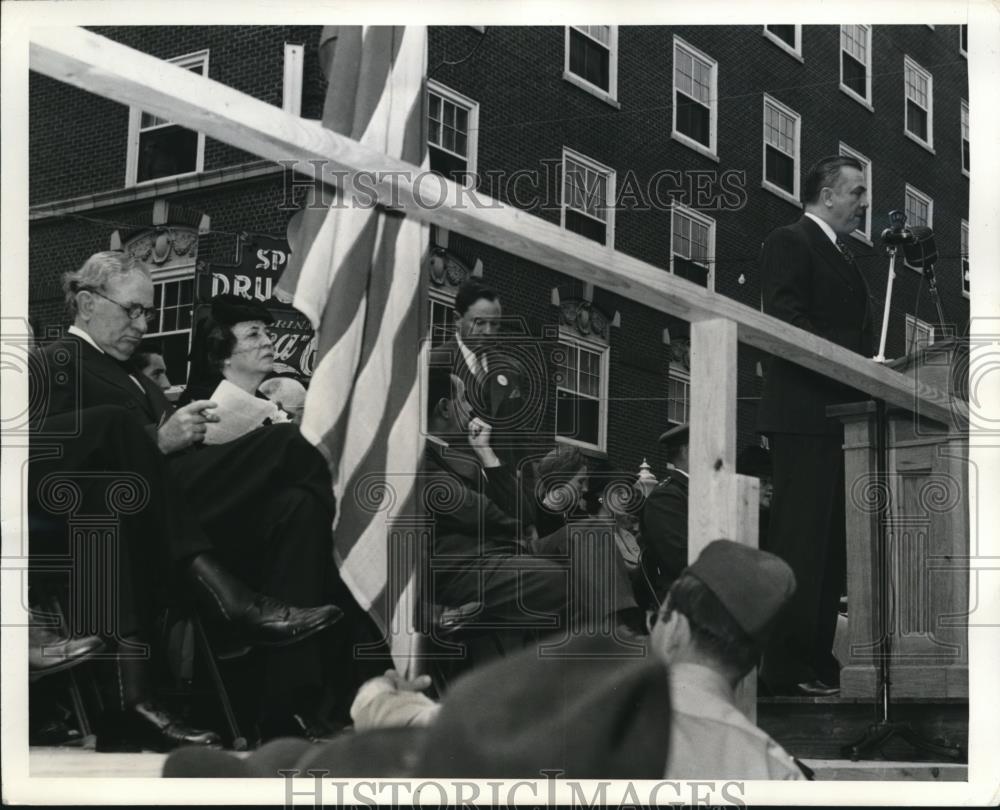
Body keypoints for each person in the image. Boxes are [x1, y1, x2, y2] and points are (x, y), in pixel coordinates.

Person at [30, 251, 343, 747]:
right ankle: (271, 591)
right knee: (288, 446)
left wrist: (185, 435)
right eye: (132, 309)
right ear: (86, 303)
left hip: (177, 515)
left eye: (147, 313)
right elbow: (39, 462)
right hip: (126, 518)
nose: (144, 324)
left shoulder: (133, 374)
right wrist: (158, 439)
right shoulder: (52, 363)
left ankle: (289, 706)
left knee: (298, 507)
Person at [757, 155, 873, 697]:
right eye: (856, 193)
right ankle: (784, 663)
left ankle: (815, 654)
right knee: (801, 539)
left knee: (831, 546)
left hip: (840, 419)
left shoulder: (845, 257)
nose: (864, 203)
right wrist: (851, 369)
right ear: (827, 194)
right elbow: (786, 318)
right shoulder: (791, 240)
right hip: (804, 415)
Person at [649, 539, 805, 780]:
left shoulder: (593, 729)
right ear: (750, 661)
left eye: (655, 619)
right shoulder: (774, 771)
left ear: (676, 627)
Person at [638, 423, 690, 602]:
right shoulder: (666, 497)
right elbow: (680, 559)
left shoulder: (694, 491)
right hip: (681, 597)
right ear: (686, 451)